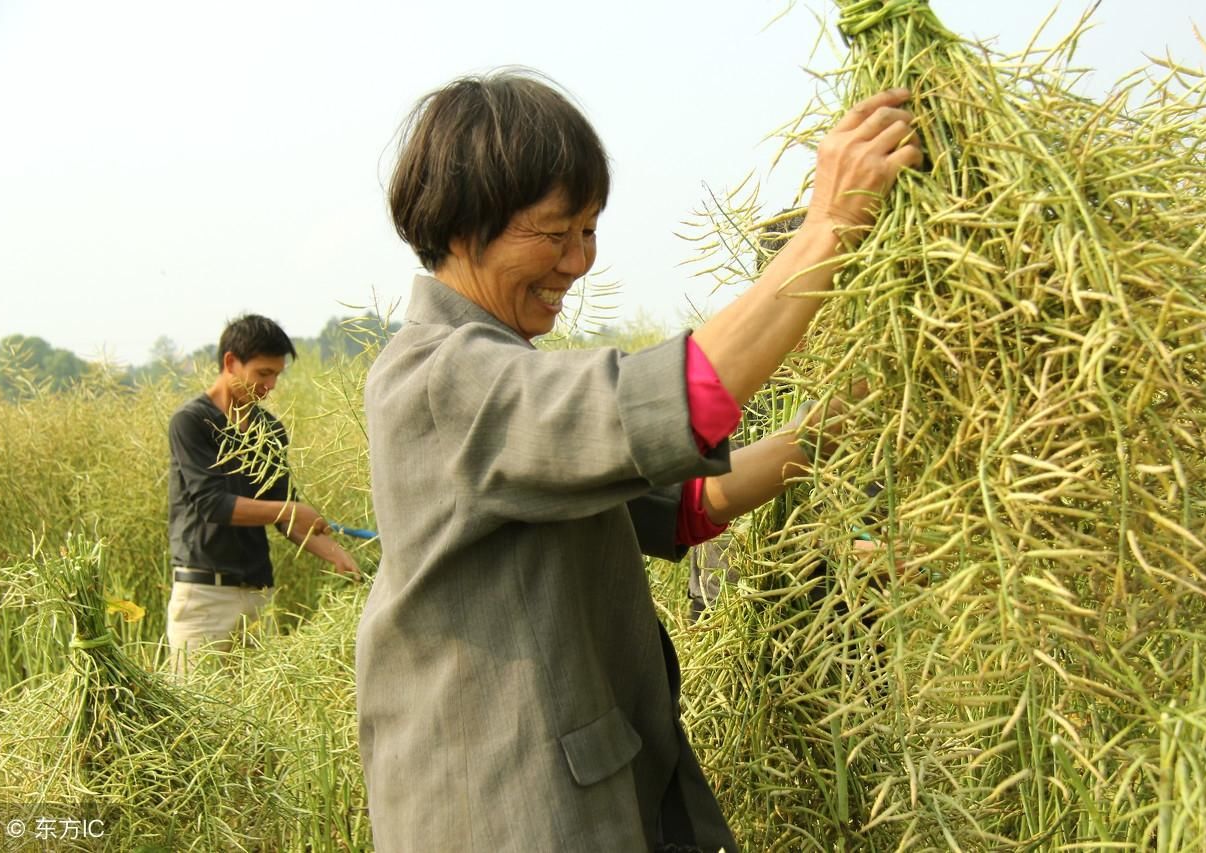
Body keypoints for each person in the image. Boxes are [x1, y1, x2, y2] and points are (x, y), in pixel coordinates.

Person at [357, 70, 921, 852]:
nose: (578, 261)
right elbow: (672, 404)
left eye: (589, 231)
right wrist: (826, 227)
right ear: (461, 225)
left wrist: (833, 423)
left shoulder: (503, 375)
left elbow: (694, 505)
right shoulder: (442, 377)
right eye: (555, 234)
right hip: (507, 813)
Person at [166, 314, 360, 674]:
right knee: (197, 722)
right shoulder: (192, 422)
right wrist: (291, 510)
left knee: (255, 724)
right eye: (262, 373)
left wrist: (338, 556)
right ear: (230, 363)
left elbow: (286, 514)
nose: (270, 386)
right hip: (204, 597)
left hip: (257, 595)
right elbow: (213, 505)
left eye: (276, 375)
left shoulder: (268, 429)